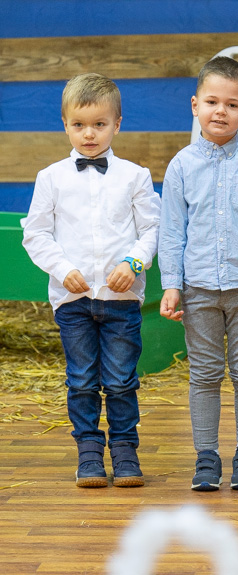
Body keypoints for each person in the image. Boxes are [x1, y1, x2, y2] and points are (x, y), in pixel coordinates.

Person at [23, 73, 160, 488]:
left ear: (117, 123)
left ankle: (124, 450)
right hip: (73, 300)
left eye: (99, 124)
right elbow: (36, 233)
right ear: (64, 124)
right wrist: (64, 270)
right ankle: (87, 452)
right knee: (81, 378)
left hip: (121, 300)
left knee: (120, 379)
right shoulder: (51, 178)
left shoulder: (134, 176)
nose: (89, 134)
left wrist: (134, 263)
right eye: (79, 125)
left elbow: (152, 229)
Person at [159, 56, 238, 491]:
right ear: (194, 104)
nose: (220, 111)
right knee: (205, 373)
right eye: (211, 101)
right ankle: (206, 456)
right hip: (197, 289)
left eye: (232, 104)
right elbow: (172, 230)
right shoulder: (180, 166)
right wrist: (171, 285)